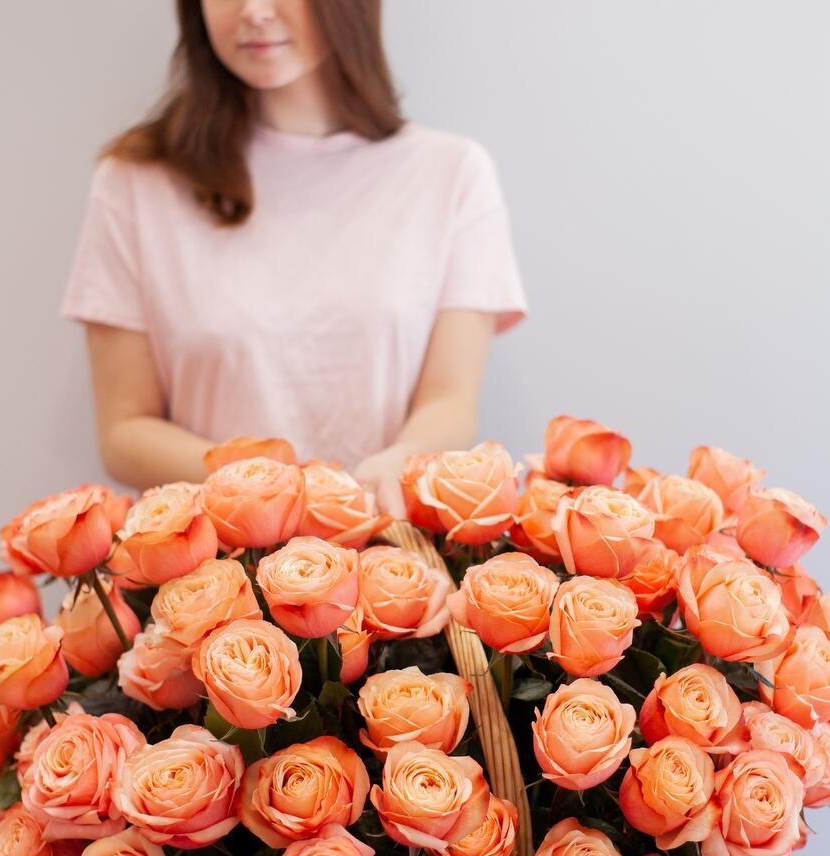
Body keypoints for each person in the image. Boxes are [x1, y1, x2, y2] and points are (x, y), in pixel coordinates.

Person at [61, 0, 527, 521]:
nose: (255, 12)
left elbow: (450, 401)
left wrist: (399, 462)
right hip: (213, 559)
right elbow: (125, 432)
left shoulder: (452, 174)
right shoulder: (137, 182)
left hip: (393, 548)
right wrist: (276, 492)